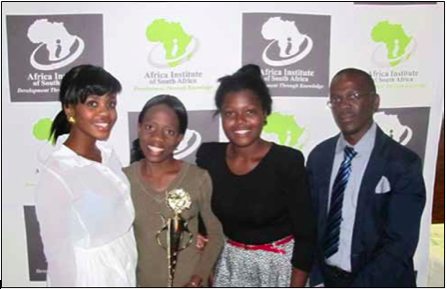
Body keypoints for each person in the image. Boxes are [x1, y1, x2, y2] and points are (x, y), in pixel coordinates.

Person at [196, 64, 316, 287]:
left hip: (279, 268)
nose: (240, 121)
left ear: (264, 114)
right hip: (229, 268)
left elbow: (306, 235)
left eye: (249, 112)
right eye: (230, 113)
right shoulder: (208, 157)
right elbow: (202, 220)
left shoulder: (287, 161)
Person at [307, 68, 426, 287]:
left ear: (375, 102)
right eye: (336, 99)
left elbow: (400, 245)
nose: (343, 106)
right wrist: (316, 279)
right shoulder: (319, 157)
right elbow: (311, 227)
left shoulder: (403, 163)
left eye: (353, 96)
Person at [35, 64, 137, 287]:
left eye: (110, 104)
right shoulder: (58, 174)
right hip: (92, 276)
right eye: (93, 103)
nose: (106, 113)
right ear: (70, 110)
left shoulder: (108, 156)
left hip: (124, 263)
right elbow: (58, 257)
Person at [123, 94, 224, 287]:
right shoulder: (123, 179)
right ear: (139, 126)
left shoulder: (198, 178)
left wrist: (196, 280)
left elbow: (216, 235)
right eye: (150, 127)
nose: (157, 138)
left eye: (169, 131)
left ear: (179, 138)